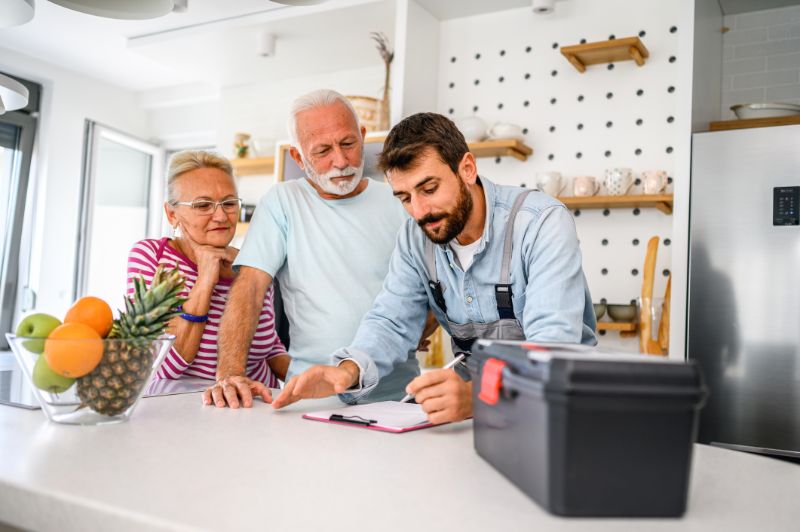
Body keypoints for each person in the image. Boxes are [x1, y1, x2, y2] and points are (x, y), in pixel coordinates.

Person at [271, 112, 597, 424]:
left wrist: (478, 398)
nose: (420, 211)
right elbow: (391, 320)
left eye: (429, 189)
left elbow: (551, 347)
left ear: (467, 169)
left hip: (557, 408)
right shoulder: (415, 238)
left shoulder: (541, 224)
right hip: (473, 416)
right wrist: (346, 371)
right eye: (404, 197)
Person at [204, 89, 424, 408]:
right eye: (322, 151)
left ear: (362, 136)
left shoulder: (400, 200)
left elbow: (430, 286)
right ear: (298, 157)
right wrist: (229, 375)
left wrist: (421, 324)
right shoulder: (282, 202)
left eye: (348, 143)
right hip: (312, 394)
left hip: (397, 395)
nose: (341, 161)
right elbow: (249, 289)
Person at [126, 150, 289, 389]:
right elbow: (164, 367)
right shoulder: (153, 257)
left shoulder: (252, 264)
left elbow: (270, 346)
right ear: (172, 215)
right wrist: (205, 279)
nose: (221, 216)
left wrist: (315, 379)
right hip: (188, 412)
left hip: (260, 405)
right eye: (203, 205)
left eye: (229, 203)